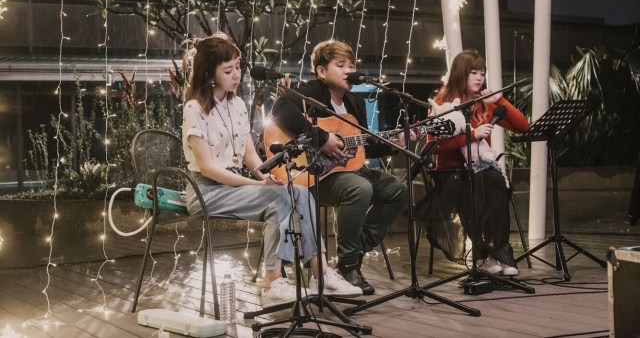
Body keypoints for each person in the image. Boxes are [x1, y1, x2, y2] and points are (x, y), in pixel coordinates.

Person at [182, 35, 362, 308]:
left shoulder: (236, 105)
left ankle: (321, 275)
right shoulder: (194, 108)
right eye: (228, 71)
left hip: (234, 185)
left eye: (238, 67)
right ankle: (273, 282)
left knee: (299, 192)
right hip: (206, 190)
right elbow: (207, 167)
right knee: (279, 199)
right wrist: (256, 185)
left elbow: (249, 155)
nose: (236, 75)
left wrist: (265, 175)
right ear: (209, 74)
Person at [271, 39, 410, 295]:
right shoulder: (310, 92)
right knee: (360, 188)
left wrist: (393, 143)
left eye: (351, 65)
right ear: (321, 71)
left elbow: (361, 146)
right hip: (313, 174)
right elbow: (281, 110)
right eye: (341, 65)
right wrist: (321, 138)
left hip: (347, 171)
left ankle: (353, 253)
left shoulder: (355, 103)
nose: (349, 70)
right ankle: (348, 266)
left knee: (397, 190)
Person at [423, 49, 529, 276]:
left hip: (481, 169)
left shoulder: (484, 102)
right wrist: (472, 135)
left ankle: (500, 251)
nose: (480, 78)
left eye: (482, 73)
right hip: (451, 173)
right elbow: (435, 146)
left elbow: (523, 127)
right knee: (476, 185)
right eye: (474, 73)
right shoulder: (441, 103)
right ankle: (483, 254)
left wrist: (499, 100)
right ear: (461, 73)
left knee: (495, 181)